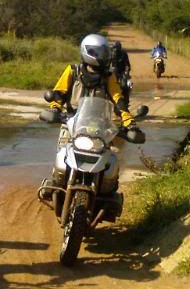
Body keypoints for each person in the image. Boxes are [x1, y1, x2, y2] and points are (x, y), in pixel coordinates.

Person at [42, 34, 141, 198]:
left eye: (104, 52)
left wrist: (129, 121)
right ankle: (55, 183)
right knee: (61, 155)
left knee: (109, 162)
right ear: (88, 52)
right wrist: (54, 108)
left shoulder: (109, 77)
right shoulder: (72, 71)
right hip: (71, 122)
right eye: (99, 52)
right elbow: (59, 92)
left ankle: (107, 193)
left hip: (99, 126)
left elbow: (118, 99)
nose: (103, 56)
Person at [110, 40, 132, 109]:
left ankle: (126, 100)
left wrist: (127, 71)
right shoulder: (110, 54)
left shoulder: (124, 53)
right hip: (113, 72)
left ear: (120, 48)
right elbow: (106, 63)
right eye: (115, 48)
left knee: (126, 85)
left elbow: (128, 64)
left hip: (122, 72)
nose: (115, 50)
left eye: (117, 48)